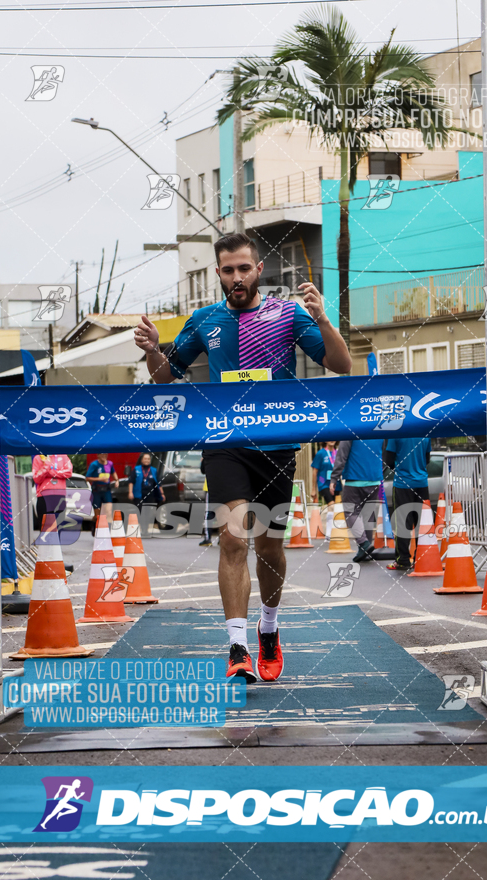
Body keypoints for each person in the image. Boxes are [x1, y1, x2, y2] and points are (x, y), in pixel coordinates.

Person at [135, 231, 351, 684]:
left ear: (259, 271)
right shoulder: (203, 320)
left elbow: (341, 365)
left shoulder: (287, 313)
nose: (236, 277)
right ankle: (237, 647)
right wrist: (155, 350)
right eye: (228, 270)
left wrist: (324, 320)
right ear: (218, 274)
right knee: (234, 538)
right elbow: (163, 379)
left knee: (269, 546)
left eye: (244, 268)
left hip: (276, 445)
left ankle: (268, 629)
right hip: (224, 444)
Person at [329, 438, 384, 564]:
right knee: (368, 515)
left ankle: (364, 543)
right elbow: (384, 453)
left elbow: (341, 456)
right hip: (374, 479)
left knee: (351, 512)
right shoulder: (378, 431)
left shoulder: (350, 431)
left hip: (355, 479)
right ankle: (365, 550)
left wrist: (334, 478)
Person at [383, 437, 431, 571]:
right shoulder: (425, 434)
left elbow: (389, 460)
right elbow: (427, 459)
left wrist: (401, 468)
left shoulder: (397, 434)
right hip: (422, 482)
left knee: (403, 523)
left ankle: (403, 560)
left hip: (403, 483)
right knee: (421, 523)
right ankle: (420, 559)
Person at [32, 454, 72, 532]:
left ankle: (57, 544)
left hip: (59, 495)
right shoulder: (38, 457)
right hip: (43, 496)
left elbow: (69, 472)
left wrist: (50, 472)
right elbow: (36, 478)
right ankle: (44, 544)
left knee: (59, 526)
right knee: (44, 527)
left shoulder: (63, 456)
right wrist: (46, 466)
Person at [86, 453, 119, 528]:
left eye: (106, 455)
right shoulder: (94, 465)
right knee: (98, 515)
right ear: (98, 455)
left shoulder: (110, 463)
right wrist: (100, 479)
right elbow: (87, 478)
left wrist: (117, 480)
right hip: (96, 490)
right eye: (102, 454)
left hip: (106, 490)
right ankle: (94, 525)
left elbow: (113, 472)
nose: (104, 456)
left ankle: (108, 530)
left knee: (108, 511)